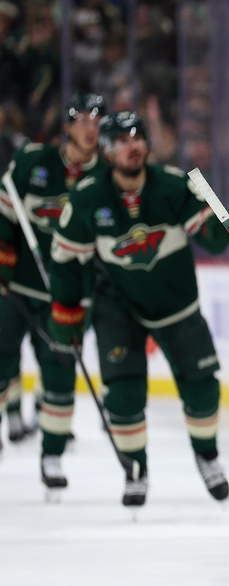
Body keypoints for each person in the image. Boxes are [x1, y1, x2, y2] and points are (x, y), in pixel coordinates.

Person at [47, 110, 229, 507]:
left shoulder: (173, 185)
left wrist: (216, 211)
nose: (133, 145)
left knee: (203, 389)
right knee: (124, 395)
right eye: (122, 140)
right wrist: (67, 311)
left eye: (138, 137)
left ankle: (207, 456)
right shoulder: (86, 197)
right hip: (119, 308)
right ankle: (135, 469)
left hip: (177, 305)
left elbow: (216, 243)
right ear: (107, 151)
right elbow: (64, 259)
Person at [0, 93, 106, 487]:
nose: (89, 127)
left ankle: (53, 455)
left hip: (69, 297)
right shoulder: (32, 163)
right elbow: (4, 214)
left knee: (60, 372)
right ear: (68, 126)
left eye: (96, 120)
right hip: (18, 289)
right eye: (81, 119)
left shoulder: (106, 177)